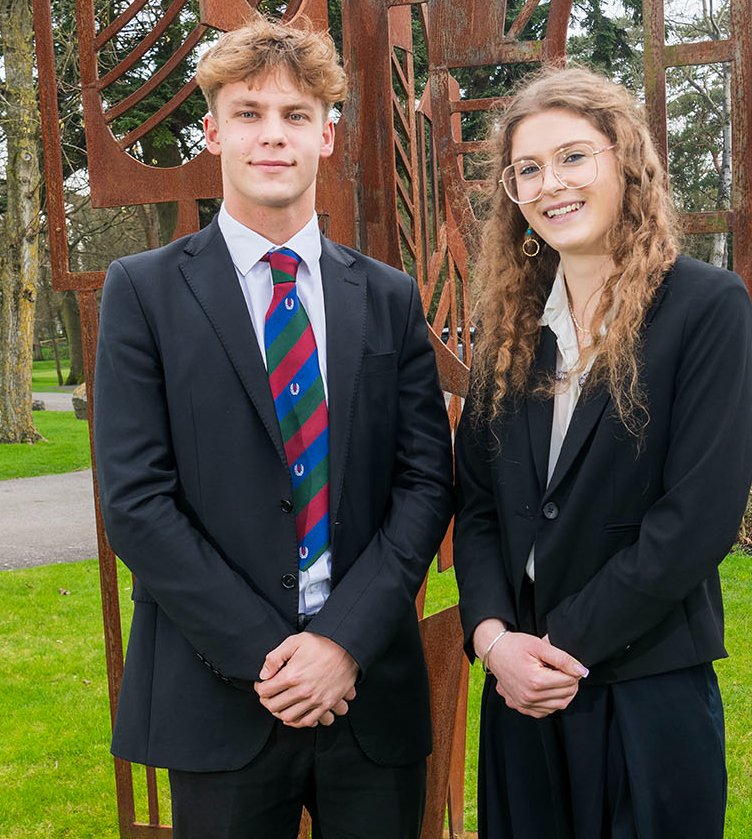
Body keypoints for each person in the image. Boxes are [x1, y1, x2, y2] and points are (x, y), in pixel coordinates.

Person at [93, 15, 452, 839]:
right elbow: (138, 501)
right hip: (219, 691)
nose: (272, 137)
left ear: (327, 136)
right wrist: (273, 656)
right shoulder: (143, 292)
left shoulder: (388, 297)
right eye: (249, 113)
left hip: (367, 692)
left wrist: (341, 644)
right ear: (213, 130)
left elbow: (425, 480)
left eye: (296, 117)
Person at [453, 65, 752, 838]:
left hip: (643, 689)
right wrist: (494, 642)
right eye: (527, 169)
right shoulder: (510, 334)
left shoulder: (705, 308)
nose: (549, 183)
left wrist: (554, 650)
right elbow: (479, 506)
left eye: (571, 157)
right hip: (520, 694)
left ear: (624, 161)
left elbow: (695, 519)